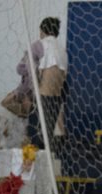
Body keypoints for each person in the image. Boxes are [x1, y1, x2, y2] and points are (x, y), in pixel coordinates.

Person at [30, 17, 67, 148]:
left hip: (42, 95)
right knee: (48, 135)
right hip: (57, 97)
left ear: (42, 30)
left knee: (36, 135)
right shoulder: (62, 49)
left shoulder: (41, 44)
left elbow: (29, 70)